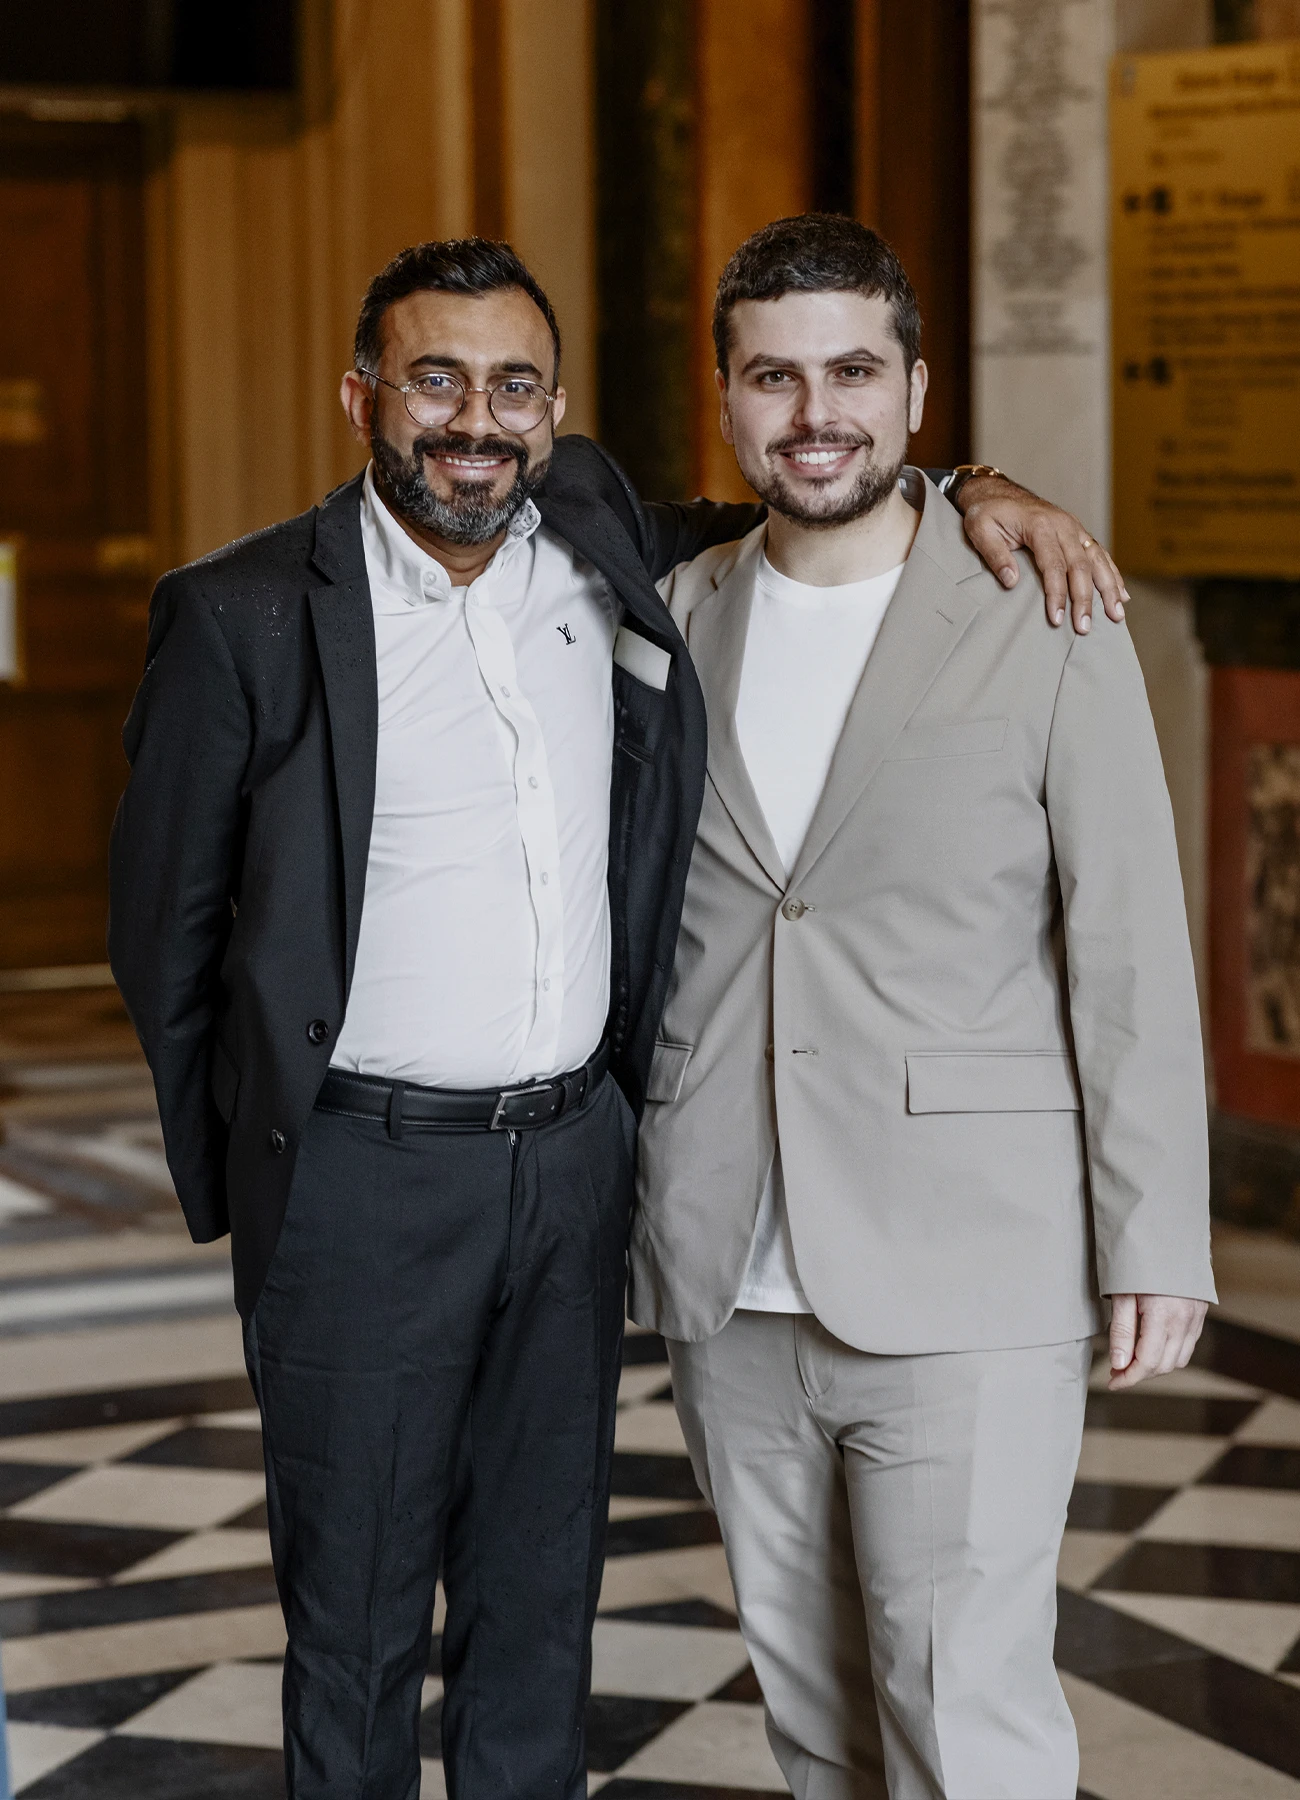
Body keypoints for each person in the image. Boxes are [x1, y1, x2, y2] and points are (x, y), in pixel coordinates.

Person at [108, 235, 1125, 1799]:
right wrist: (266, 1178)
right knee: (356, 1625)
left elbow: (823, 488)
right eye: (433, 378)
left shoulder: (603, 547)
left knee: (538, 1616)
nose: (474, 421)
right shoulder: (240, 613)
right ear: (360, 393)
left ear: (556, 409)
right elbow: (162, 937)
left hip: (575, 1170)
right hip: (361, 1182)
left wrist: (988, 482)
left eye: (514, 386)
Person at [632, 213, 1214, 1800]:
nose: (815, 412)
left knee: (967, 1720)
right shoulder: (668, 619)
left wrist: (1153, 1231)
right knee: (818, 1729)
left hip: (972, 1263)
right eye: (775, 377)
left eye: (853, 372)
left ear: (916, 391)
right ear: (731, 399)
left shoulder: (1043, 609)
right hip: (725, 1269)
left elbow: (1129, 941)